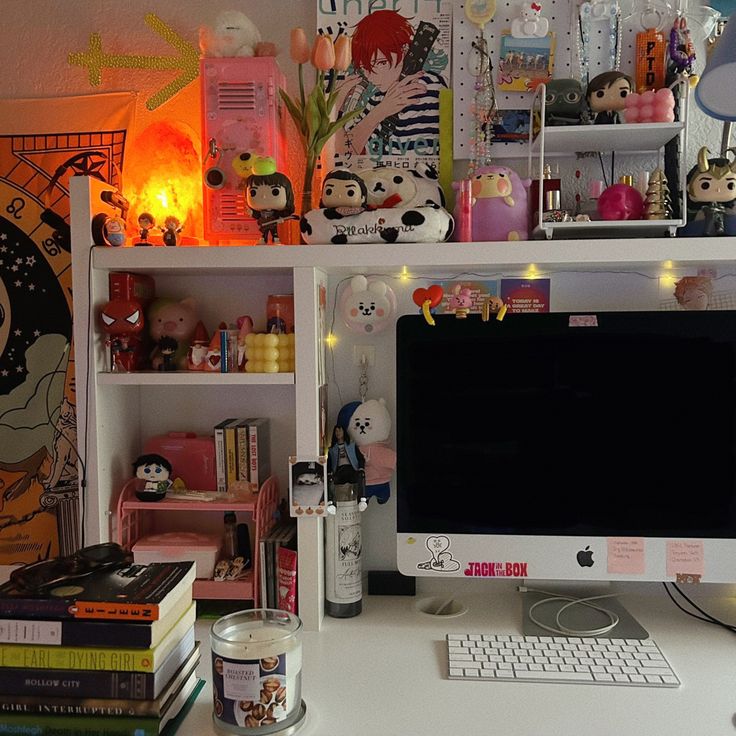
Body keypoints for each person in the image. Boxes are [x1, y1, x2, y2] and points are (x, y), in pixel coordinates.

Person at [334, 10, 447, 160]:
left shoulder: (428, 87)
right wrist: (336, 107)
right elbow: (346, 154)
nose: (371, 75)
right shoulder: (376, 100)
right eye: (365, 68)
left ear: (405, 51)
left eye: (381, 63)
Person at [245, 171, 295, 244]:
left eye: (275, 191)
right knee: (264, 232)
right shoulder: (261, 213)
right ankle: (263, 239)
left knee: (274, 231)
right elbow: (257, 215)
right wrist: (252, 213)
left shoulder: (276, 213)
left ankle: (276, 239)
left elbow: (282, 215)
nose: (264, 196)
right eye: (253, 192)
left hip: (272, 223)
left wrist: (281, 218)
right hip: (263, 223)